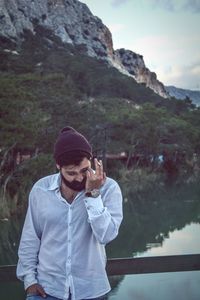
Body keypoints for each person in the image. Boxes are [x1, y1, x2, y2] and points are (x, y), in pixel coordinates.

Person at [17, 126, 123, 300]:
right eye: (71, 173)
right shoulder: (41, 189)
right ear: (58, 166)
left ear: (91, 161)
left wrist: (93, 195)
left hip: (91, 291)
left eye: (84, 170)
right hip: (46, 290)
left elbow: (107, 235)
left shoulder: (109, 188)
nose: (80, 178)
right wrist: (29, 281)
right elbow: (30, 238)